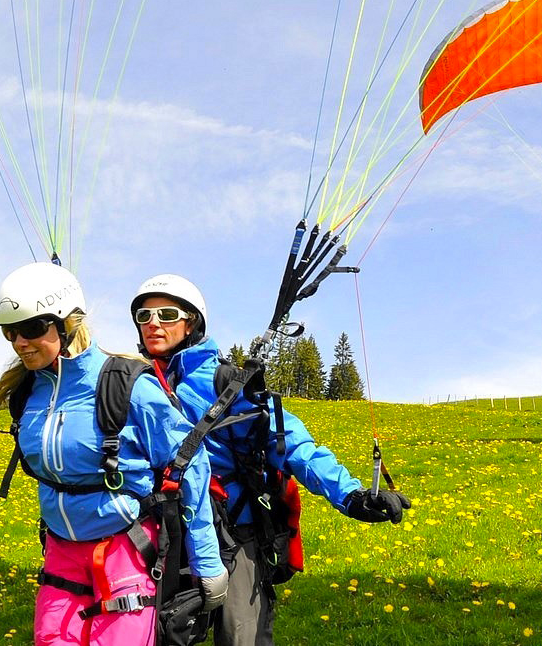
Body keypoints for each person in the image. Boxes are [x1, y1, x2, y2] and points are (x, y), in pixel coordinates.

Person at [129, 274, 412, 646]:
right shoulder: (133, 380)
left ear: (191, 321)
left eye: (166, 314)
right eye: (144, 316)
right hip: (162, 534)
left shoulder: (222, 381)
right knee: (154, 635)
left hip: (233, 532)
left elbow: (289, 441)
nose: (153, 324)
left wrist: (351, 495)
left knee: (239, 636)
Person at [0, 262, 228, 645]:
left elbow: (191, 462)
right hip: (61, 554)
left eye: (33, 328)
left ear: (69, 323)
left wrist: (205, 559)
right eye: (10, 332)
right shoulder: (27, 394)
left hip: (125, 550)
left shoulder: (125, 384)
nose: (20, 342)